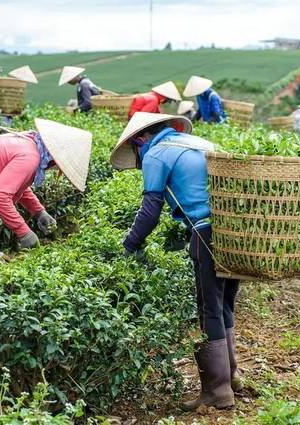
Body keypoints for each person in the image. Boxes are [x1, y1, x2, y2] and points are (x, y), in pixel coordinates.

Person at [110, 112, 240, 411]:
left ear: (140, 141)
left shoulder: (157, 152)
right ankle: (233, 376)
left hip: (206, 233)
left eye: (135, 151)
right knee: (225, 304)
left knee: (209, 308)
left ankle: (217, 392)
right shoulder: (195, 142)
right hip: (236, 230)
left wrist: (129, 245)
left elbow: (150, 210)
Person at [0, 118, 92, 275]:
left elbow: (15, 185)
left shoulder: (29, 142)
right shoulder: (30, 157)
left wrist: (39, 211)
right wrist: (24, 232)